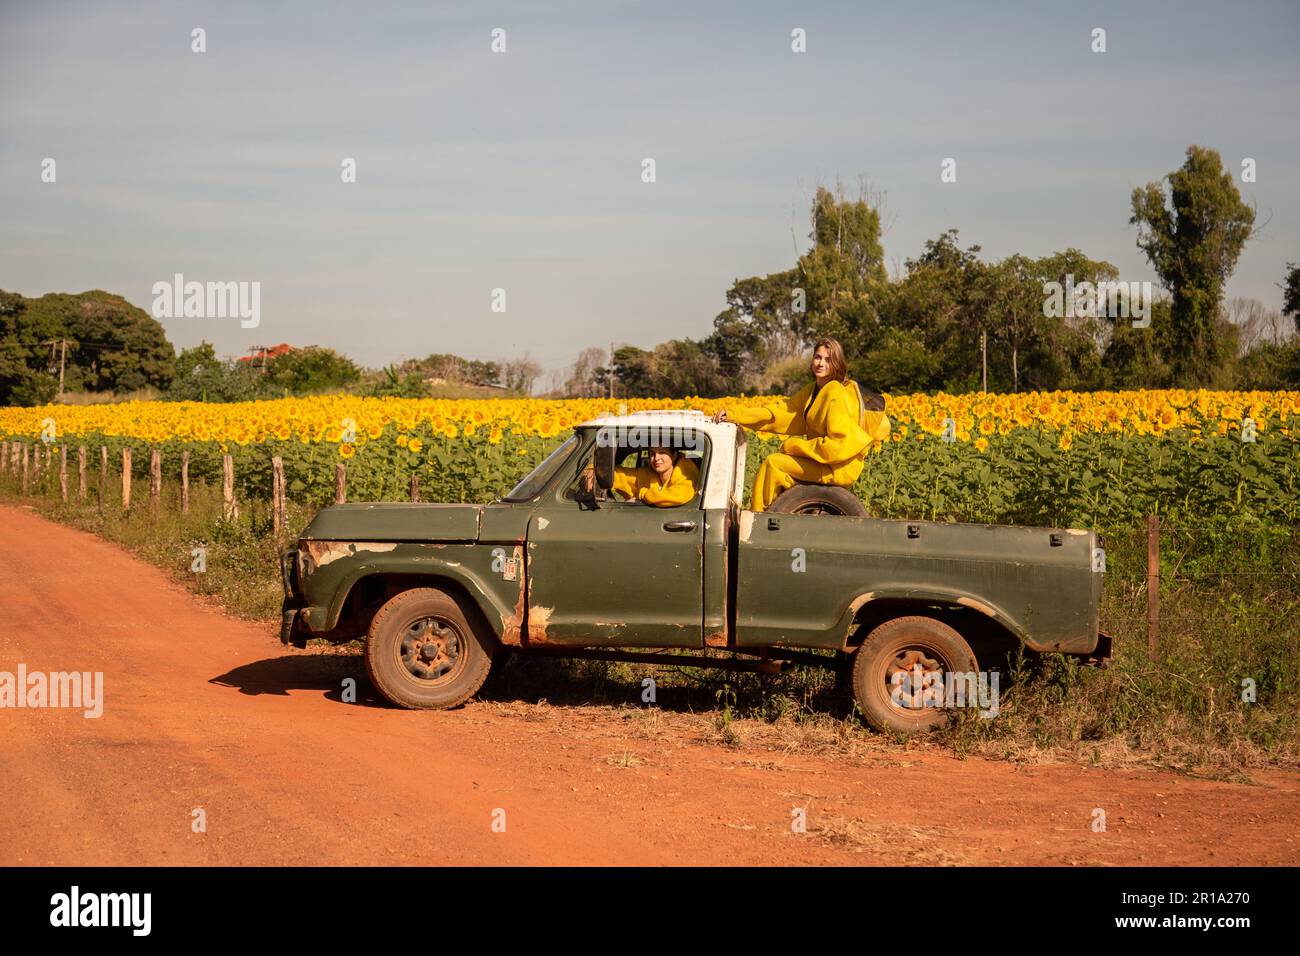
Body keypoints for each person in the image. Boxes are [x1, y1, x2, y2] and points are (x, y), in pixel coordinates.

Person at [712, 337, 889, 512]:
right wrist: (735, 415)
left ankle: (757, 522)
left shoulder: (835, 392)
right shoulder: (813, 390)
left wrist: (794, 446)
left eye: (828, 360)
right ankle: (772, 515)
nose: (821, 363)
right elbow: (781, 412)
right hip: (824, 461)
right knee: (776, 466)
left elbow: (839, 444)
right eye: (818, 357)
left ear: (837, 364)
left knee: (774, 464)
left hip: (839, 466)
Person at [581, 445, 700, 507]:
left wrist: (641, 498)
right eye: (652, 453)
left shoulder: (686, 471)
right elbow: (620, 475)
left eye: (662, 452)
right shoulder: (647, 474)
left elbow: (676, 496)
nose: (656, 458)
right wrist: (593, 470)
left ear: (674, 455)